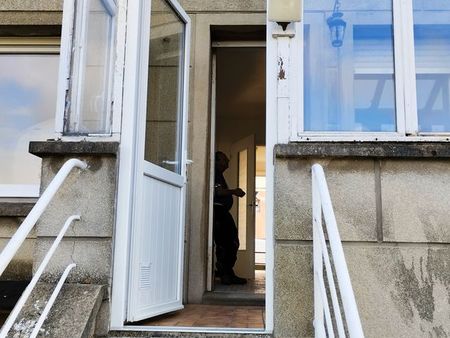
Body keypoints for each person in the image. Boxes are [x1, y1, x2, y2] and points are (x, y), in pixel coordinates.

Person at [213, 151, 247, 285]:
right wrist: (234, 191)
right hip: (219, 212)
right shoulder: (214, 173)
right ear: (217, 161)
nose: (227, 163)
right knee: (227, 243)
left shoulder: (219, 174)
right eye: (225, 160)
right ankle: (225, 274)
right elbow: (217, 191)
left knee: (231, 242)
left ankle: (227, 272)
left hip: (223, 212)